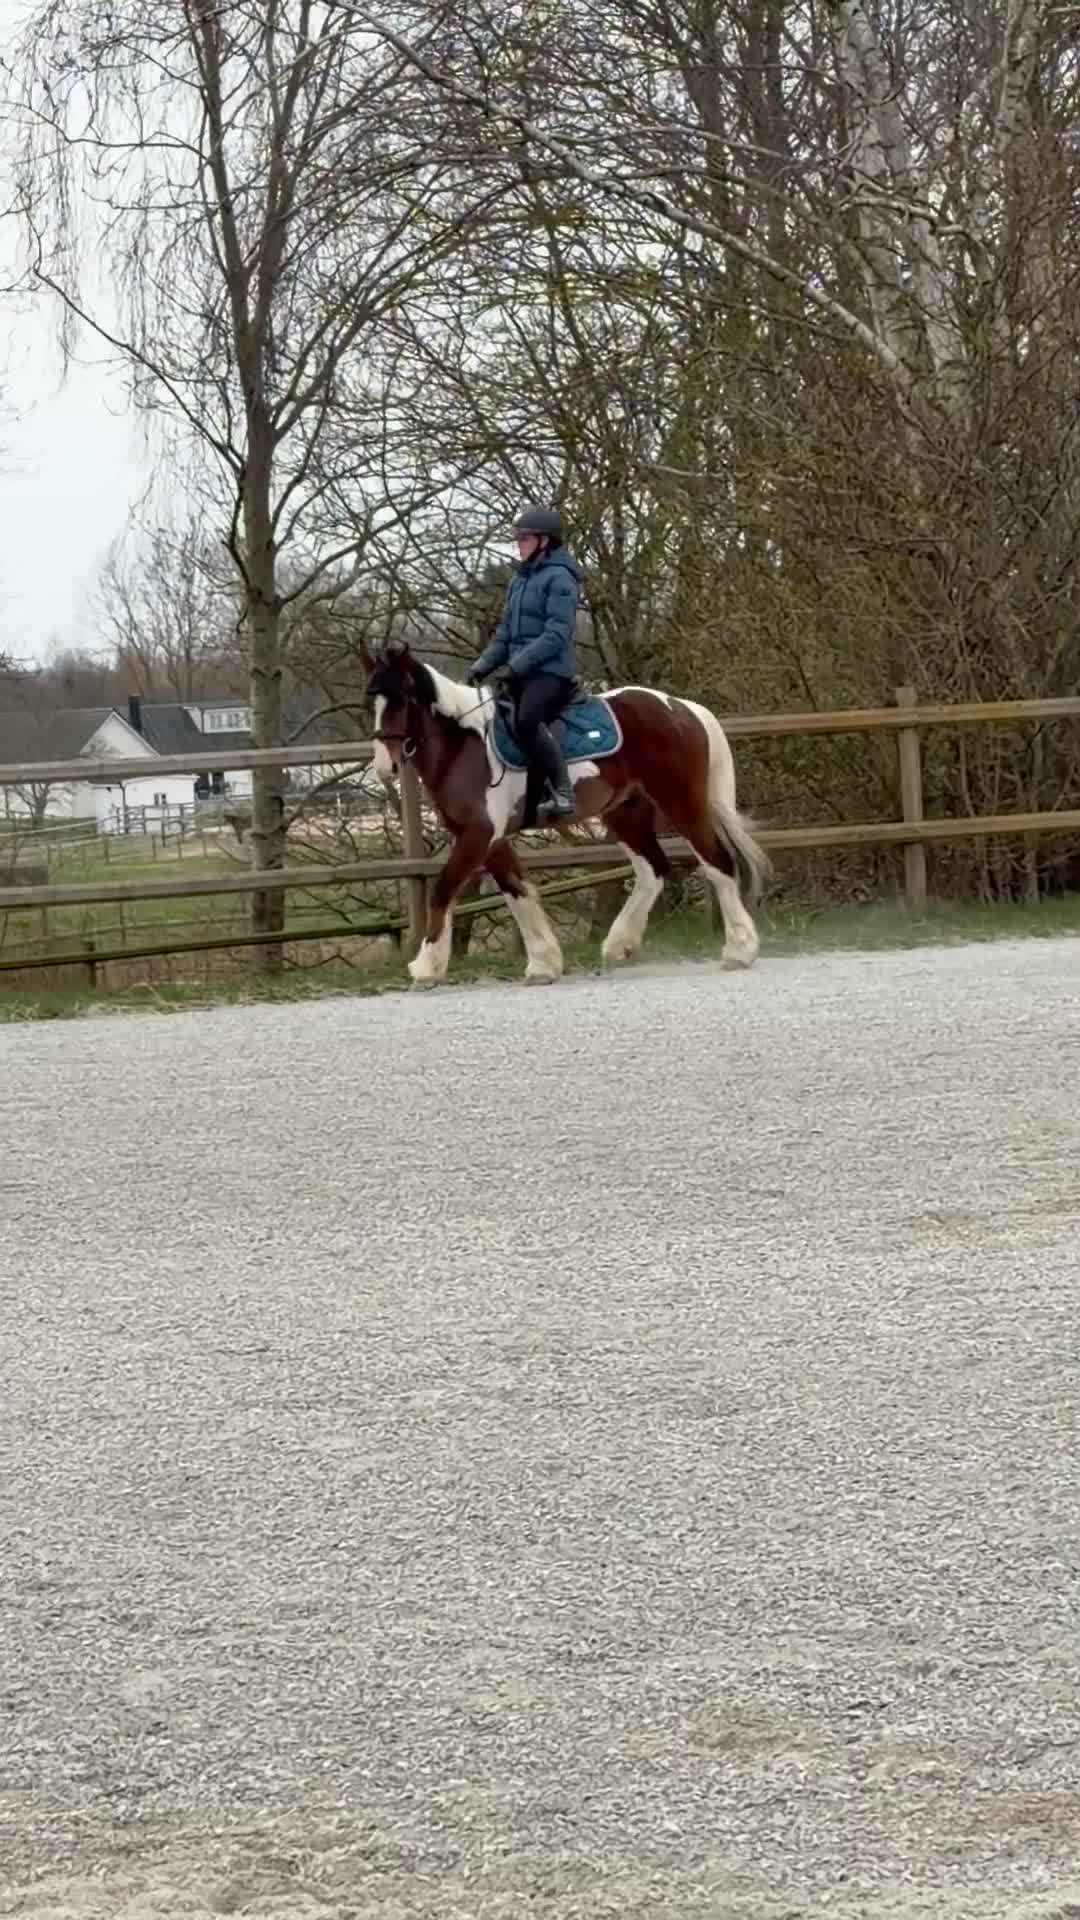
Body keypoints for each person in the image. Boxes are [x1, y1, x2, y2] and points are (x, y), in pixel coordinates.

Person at [467, 506, 582, 823]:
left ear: (544, 541)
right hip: (521, 671)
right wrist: (483, 665)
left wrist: (516, 666)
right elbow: (505, 633)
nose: (519, 543)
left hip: (550, 672)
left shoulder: (561, 578)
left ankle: (562, 791)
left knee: (527, 719)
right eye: (518, 538)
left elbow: (556, 634)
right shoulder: (519, 581)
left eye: (525, 538)